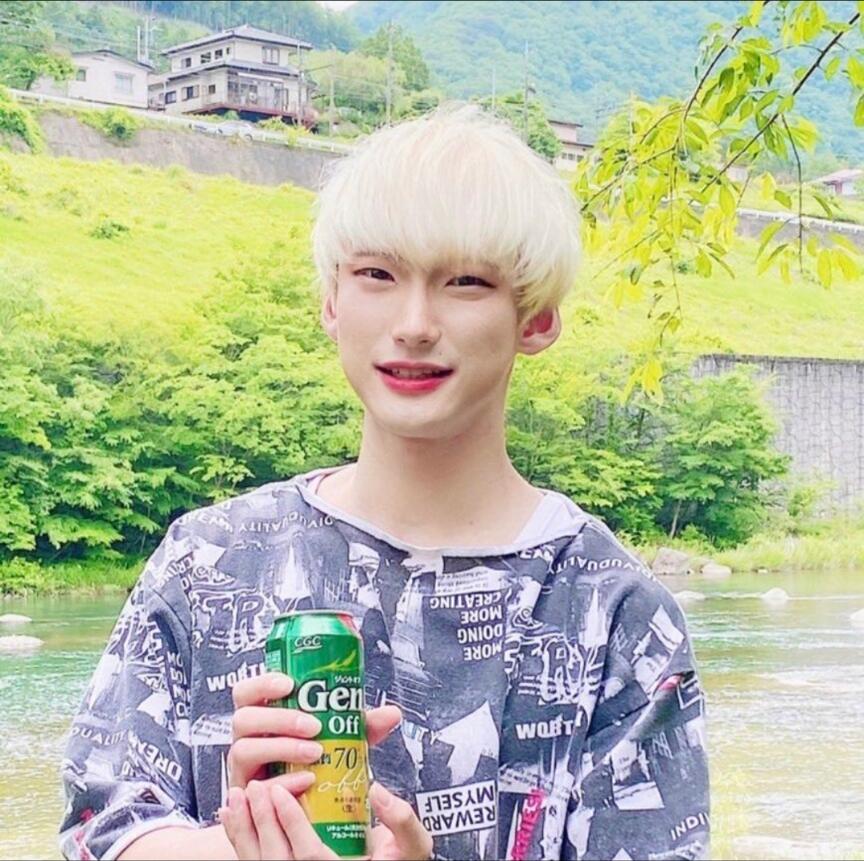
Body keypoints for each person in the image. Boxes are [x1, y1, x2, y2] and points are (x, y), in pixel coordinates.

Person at [59, 104, 710, 861]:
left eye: (465, 281)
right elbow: (100, 828)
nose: (414, 323)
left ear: (535, 319)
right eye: (377, 274)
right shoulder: (206, 561)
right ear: (331, 302)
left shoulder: (616, 610)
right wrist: (238, 846)